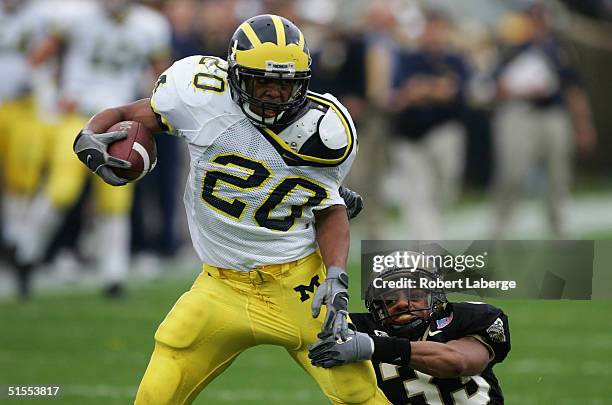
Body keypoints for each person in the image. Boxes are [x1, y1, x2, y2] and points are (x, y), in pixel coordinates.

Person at [73, 14, 385, 404]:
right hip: (220, 286)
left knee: (361, 395)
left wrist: (336, 276)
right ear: (234, 75)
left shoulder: (327, 130)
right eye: (262, 81)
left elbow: (330, 207)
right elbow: (123, 116)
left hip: (298, 285)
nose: (273, 94)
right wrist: (89, 137)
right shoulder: (200, 95)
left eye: (285, 84)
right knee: (154, 395)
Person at [12, 0, 170, 299]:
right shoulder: (75, 15)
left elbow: (162, 77)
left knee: (116, 197)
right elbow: (41, 57)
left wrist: (148, 109)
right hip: (79, 117)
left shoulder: (150, 25)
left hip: (121, 122)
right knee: (61, 190)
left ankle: (114, 274)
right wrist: (50, 94)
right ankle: (26, 253)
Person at [309, 252, 511, 404]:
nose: (402, 304)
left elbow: (456, 362)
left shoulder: (465, 319)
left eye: (414, 295)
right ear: (377, 306)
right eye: (390, 299)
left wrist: (371, 346)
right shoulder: (358, 327)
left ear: (435, 298)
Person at [491, 5, 597, 238]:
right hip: (519, 113)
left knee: (559, 174)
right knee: (513, 173)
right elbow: (492, 87)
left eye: (541, 19)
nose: (538, 24)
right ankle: (501, 229)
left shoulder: (558, 49)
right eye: (533, 19)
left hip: (553, 114)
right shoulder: (511, 48)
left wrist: (583, 124)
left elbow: (573, 89)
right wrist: (520, 91)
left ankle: (558, 228)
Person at [388, 11, 471, 239]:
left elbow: (458, 92)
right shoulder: (406, 58)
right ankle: (428, 245)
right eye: (430, 29)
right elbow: (396, 96)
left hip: (444, 132)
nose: (434, 35)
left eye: (439, 29)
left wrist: (424, 89)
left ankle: (432, 234)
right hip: (409, 136)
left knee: (445, 190)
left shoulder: (455, 60)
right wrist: (431, 90)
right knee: (417, 195)